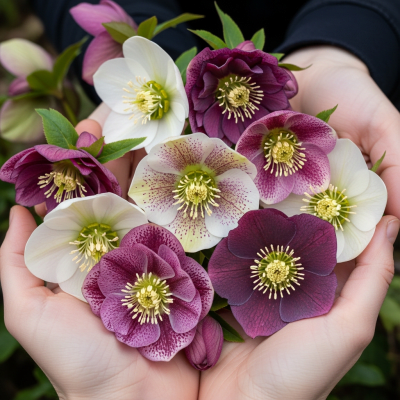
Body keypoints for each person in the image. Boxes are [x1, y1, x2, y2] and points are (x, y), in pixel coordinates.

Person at [1, 0, 400, 398]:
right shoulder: (151, 197)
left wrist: (343, 47)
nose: (195, 188)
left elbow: (253, 212)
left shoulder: (273, 186)